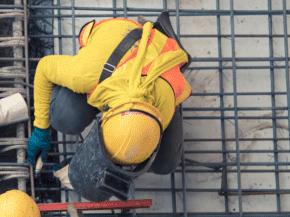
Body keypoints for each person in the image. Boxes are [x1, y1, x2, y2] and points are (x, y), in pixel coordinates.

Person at [26, 14, 192, 200]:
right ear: (105, 116)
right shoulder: (86, 73)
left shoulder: (166, 106)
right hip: (117, 41)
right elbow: (43, 69)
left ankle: (166, 41)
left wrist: (85, 170)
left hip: (161, 68)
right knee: (62, 118)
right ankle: (156, 31)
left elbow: (130, 147)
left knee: (165, 164)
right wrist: (41, 128)